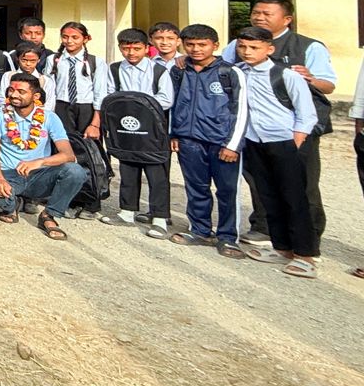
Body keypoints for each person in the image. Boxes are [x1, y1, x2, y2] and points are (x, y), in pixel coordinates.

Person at [224, 0, 335, 245]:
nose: (259, 17)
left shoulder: (308, 47)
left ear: (287, 19)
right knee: (259, 181)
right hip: (253, 129)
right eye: (256, 12)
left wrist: (310, 78)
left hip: (296, 129)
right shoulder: (237, 45)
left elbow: (328, 85)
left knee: (301, 184)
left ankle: (308, 237)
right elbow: (224, 70)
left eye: (267, 14)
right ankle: (265, 228)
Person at [231, 26, 319, 278]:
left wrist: (295, 143)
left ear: (269, 49)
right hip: (253, 140)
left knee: (294, 199)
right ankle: (281, 248)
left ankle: (305, 255)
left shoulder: (286, 76)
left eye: (254, 48)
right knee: (267, 196)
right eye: (242, 47)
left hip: (283, 142)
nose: (247, 52)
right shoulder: (239, 73)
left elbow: (306, 114)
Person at [168, 24, 250, 259]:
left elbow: (242, 109)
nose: (195, 49)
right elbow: (175, 103)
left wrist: (233, 144)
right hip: (189, 140)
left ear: (215, 45)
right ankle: (200, 230)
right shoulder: (180, 70)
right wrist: (175, 134)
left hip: (222, 142)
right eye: (190, 44)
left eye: (202, 44)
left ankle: (227, 237)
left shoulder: (230, 73)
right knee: (196, 188)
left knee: (227, 191)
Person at [0, 73, 83, 240]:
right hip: (9, 174)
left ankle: (49, 215)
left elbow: (69, 155)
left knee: (75, 172)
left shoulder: (49, 117)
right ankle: (12, 205)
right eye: (11, 90)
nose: (14, 95)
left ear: (35, 96)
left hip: (39, 175)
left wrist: (39, 162)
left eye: (21, 92)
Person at [96, 28, 174, 235]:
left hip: (152, 129)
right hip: (125, 126)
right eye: (126, 49)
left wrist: (139, 104)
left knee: (157, 173)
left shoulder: (159, 71)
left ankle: (159, 217)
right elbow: (110, 95)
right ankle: (127, 211)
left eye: (137, 49)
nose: (131, 53)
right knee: (128, 169)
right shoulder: (114, 69)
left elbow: (166, 99)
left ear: (147, 48)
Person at [49, 22, 104, 140]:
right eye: (65, 37)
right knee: (63, 144)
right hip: (61, 107)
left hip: (86, 109)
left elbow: (100, 93)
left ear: (86, 39)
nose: (69, 41)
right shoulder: (53, 60)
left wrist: (95, 123)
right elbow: (49, 88)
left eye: (75, 37)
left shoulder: (96, 62)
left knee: (89, 146)